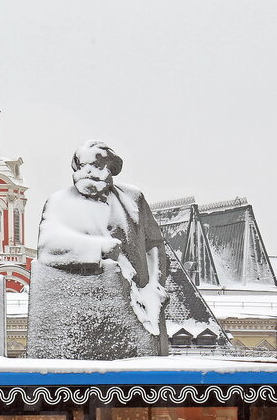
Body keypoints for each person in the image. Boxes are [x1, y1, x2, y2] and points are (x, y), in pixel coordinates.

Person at [27, 140, 170, 360]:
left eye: (97, 165)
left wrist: (155, 285)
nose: (89, 171)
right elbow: (48, 245)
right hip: (85, 311)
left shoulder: (133, 198)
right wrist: (100, 248)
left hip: (141, 303)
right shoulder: (58, 202)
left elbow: (154, 244)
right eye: (82, 166)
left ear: (111, 169)